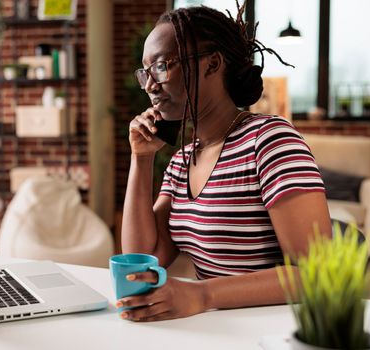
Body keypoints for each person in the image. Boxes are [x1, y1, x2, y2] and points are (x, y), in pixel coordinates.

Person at [119, 3, 331, 322]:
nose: (150, 85)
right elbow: (142, 261)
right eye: (144, 72)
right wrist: (142, 158)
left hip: (279, 329)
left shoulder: (270, 140)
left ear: (212, 64)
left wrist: (202, 294)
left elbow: (318, 275)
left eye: (162, 66)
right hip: (217, 326)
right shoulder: (180, 162)